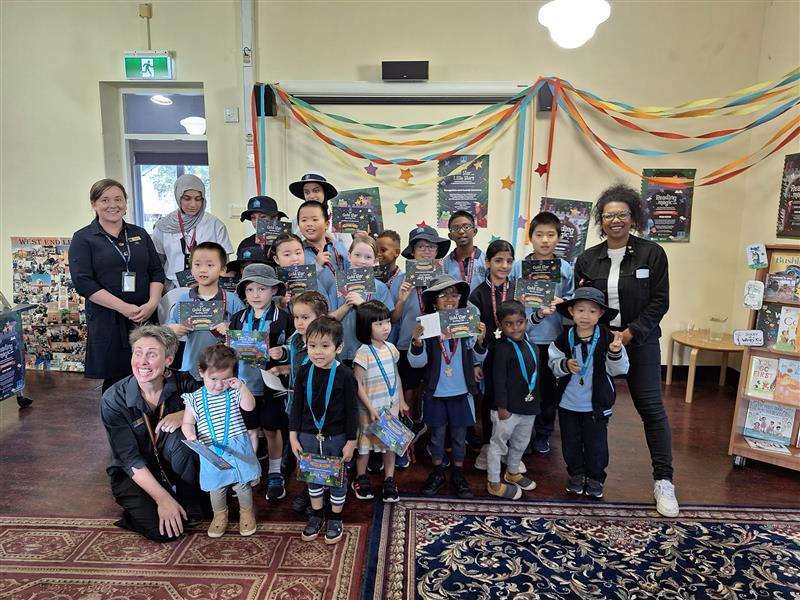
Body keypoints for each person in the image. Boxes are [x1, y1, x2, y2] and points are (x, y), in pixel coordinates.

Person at [574, 184, 678, 516]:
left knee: (651, 410)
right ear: (600, 220)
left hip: (642, 342)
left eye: (622, 214)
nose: (615, 220)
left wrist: (631, 334)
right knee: (594, 410)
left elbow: (660, 302)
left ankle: (664, 481)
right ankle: (589, 475)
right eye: (609, 215)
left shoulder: (652, 253)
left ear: (632, 217)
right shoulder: (588, 258)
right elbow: (583, 304)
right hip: (599, 344)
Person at [100, 325, 204, 542]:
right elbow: (129, 459)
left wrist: (185, 414)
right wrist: (162, 499)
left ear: (168, 360)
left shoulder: (185, 383)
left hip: (175, 465)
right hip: (136, 473)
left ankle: (189, 498)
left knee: (181, 435)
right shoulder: (114, 398)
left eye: (152, 354)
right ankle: (148, 505)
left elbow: (216, 410)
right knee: (163, 532)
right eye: (137, 353)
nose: (142, 362)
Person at [70, 179, 165, 392]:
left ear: (126, 203)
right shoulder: (84, 238)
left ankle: (148, 422)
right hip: (108, 318)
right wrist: (123, 307)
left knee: (149, 373)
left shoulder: (139, 233)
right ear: (94, 204)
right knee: (116, 378)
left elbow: (156, 271)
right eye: (105, 200)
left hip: (143, 315)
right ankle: (117, 423)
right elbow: (83, 283)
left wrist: (152, 303)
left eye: (118, 199)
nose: (113, 205)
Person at [408, 275, 487, 499]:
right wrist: (416, 342)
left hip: (461, 392)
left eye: (454, 294)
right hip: (436, 392)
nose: (450, 299)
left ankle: (459, 474)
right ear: (434, 301)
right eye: (443, 295)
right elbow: (417, 363)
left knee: (459, 436)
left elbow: (478, 357)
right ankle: (437, 472)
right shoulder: (427, 326)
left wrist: (481, 340)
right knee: (437, 436)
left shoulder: (466, 323)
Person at [547, 287, 629, 499]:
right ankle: (575, 474)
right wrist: (564, 364)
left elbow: (619, 370)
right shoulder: (564, 338)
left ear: (601, 314)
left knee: (596, 444)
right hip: (568, 403)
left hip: (596, 404)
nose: (585, 316)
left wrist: (615, 352)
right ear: (572, 311)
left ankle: (595, 478)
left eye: (592, 311)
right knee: (570, 442)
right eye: (581, 310)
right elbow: (553, 363)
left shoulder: (608, 338)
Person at [289, 317, 358, 544]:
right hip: (308, 435)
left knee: (337, 478)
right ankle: (317, 514)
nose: (318, 352)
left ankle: (335, 517)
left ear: (338, 347)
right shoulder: (303, 371)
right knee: (313, 477)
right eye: (312, 346)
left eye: (325, 346)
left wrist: (351, 440)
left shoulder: (345, 374)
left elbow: (352, 411)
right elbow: (296, 406)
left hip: (336, 437)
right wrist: (293, 435)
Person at [227, 263, 293, 502]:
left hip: (271, 387)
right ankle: (249, 469)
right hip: (244, 385)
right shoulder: (237, 319)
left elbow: (296, 347)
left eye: (262, 289)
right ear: (243, 292)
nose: (256, 295)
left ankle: (275, 473)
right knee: (248, 430)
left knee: (272, 429)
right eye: (250, 289)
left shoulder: (284, 319)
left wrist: (282, 352)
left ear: (274, 290)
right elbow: (230, 351)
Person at [181, 345, 261, 537]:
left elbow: (250, 407)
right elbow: (187, 422)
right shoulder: (194, 399)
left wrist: (242, 387)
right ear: (201, 373)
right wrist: (190, 435)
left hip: (237, 447)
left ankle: (247, 513)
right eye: (213, 379)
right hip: (211, 450)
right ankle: (219, 515)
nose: (219, 385)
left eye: (225, 379)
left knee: (242, 484)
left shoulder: (233, 392)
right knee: (216, 487)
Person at [516, 211, 574, 454]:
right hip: (525, 337)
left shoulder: (565, 268)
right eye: (539, 235)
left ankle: (543, 433)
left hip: (552, 339)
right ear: (531, 238)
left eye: (551, 235)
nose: (545, 240)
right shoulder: (519, 266)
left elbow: (573, 303)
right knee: (525, 388)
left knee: (550, 390)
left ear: (558, 237)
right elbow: (509, 301)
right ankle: (522, 436)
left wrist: (562, 303)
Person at [392, 226, 451, 436]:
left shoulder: (444, 278)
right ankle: (406, 430)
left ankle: (429, 429)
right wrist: (401, 300)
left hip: (438, 342)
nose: (426, 251)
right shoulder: (401, 280)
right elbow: (393, 318)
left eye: (431, 247)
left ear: (437, 251)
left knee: (433, 387)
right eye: (420, 247)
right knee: (408, 390)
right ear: (412, 252)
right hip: (408, 342)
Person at [276, 290, 329, 516]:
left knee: (321, 451)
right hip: (296, 406)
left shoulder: (326, 344)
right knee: (303, 449)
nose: (299, 322)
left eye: (305, 318)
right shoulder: (295, 340)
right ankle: (309, 489)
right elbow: (298, 368)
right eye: (296, 317)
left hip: (319, 410)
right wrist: (282, 366)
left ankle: (323, 491)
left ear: (320, 318)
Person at [351, 300, 407, 503]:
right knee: (364, 448)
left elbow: (397, 375)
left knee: (390, 447)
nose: (385, 327)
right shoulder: (363, 353)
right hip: (369, 411)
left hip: (389, 410)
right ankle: (361, 477)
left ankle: (390, 479)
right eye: (379, 324)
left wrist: (401, 400)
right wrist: (370, 407)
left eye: (387, 322)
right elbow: (358, 385)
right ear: (366, 327)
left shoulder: (391, 348)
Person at [469, 239, 517, 469]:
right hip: (489, 356)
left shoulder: (518, 290)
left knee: (512, 398)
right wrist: (476, 363)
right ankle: (488, 445)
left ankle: (509, 447)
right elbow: (473, 333)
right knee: (489, 399)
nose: (504, 265)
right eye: (498, 260)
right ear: (487, 262)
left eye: (509, 261)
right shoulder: (477, 294)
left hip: (514, 355)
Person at [166, 242, 244, 378]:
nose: (203, 270)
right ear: (191, 269)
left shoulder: (232, 301)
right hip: (191, 369)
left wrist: (231, 331)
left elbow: (248, 338)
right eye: (197, 265)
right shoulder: (183, 300)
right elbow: (165, 332)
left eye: (210, 265)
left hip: (224, 372)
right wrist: (171, 330)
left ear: (223, 270)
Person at [487, 300, 540, 499]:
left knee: (520, 443)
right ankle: (493, 481)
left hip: (528, 406)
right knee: (498, 445)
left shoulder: (531, 345)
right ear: (501, 325)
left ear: (526, 322)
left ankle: (512, 472)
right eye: (509, 324)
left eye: (519, 322)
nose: (515, 327)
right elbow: (498, 381)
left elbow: (536, 376)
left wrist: (536, 402)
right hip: (507, 409)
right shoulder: (501, 349)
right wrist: (502, 406)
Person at [152, 174, 233, 289]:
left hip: (209, 289)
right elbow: (157, 264)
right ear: (178, 196)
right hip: (173, 289)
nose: (193, 204)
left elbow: (224, 263)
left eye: (198, 199)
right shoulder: (163, 227)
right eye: (187, 198)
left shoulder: (215, 225)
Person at [327, 235, 395, 366]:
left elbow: (385, 320)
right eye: (357, 255)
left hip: (370, 350)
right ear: (349, 255)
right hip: (340, 350)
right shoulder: (336, 285)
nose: (362, 261)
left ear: (375, 260)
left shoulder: (380, 288)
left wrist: (363, 305)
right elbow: (329, 318)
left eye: (368, 257)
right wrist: (347, 306)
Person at [289, 172, 352, 246]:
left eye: (316, 191)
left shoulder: (339, 219)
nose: (311, 196)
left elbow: (348, 249)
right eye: (307, 192)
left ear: (324, 193)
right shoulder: (296, 220)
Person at [297, 200, 350, 274]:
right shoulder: (298, 253)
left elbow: (349, 271)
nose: (309, 224)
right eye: (304, 220)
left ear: (327, 224)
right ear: (298, 225)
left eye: (315, 219)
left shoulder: (339, 247)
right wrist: (317, 266)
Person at [442, 211, 487, 293]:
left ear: (474, 231)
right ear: (450, 236)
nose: (461, 232)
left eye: (466, 227)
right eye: (455, 228)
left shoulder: (486, 260)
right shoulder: (444, 264)